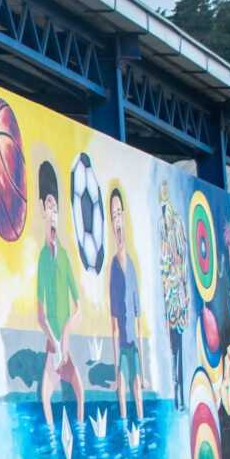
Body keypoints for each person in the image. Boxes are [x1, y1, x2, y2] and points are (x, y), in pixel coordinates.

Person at [34, 160, 83, 438]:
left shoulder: (62, 256)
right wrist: (55, 343)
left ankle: (79, 435)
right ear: (41, 208)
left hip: (63, 343)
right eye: (49, 206)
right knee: (45, 397)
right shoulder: (42, 259)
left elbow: (79, 308)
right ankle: (54, 444)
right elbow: (40, 317)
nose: (53, 213)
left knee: (80, 393)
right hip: (53, 346)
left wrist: (66, 333)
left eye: (56, 208)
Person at [106, 185, 146, 435]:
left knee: (137, 388)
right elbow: (112, 322)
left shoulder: (131, 267)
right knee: (122, 389)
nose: (117, 219)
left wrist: (144, 367)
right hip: (122, 343)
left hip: (133, 343)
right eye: (113, 215)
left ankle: (139, 429)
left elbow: (139, 318)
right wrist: (114, 369)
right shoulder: (114, 268)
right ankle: (124, 431)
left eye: (119, 213)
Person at [157, 181, 191, 409]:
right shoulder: (165, 243)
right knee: (173, 350)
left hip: (177, 304)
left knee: (177, 350)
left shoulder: (176, 229)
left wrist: (182, 298)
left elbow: (181, 266)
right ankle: (177, 394)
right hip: (172, 304)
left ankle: (179, 395)